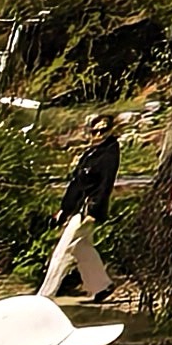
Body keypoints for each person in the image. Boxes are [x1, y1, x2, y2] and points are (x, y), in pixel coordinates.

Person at [44, 115, 124, 304]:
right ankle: (102, 286)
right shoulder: (91, 153)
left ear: (110, 131)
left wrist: (93, 213)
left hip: (88, 211)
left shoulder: (109, 153)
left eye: (102, 130)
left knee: (62, 252)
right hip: (78, 209)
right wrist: (64, 210)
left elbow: (105, 185)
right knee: (81, 248)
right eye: (95, 131)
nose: (98, 135)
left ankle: (44, 296)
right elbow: (77, 185)